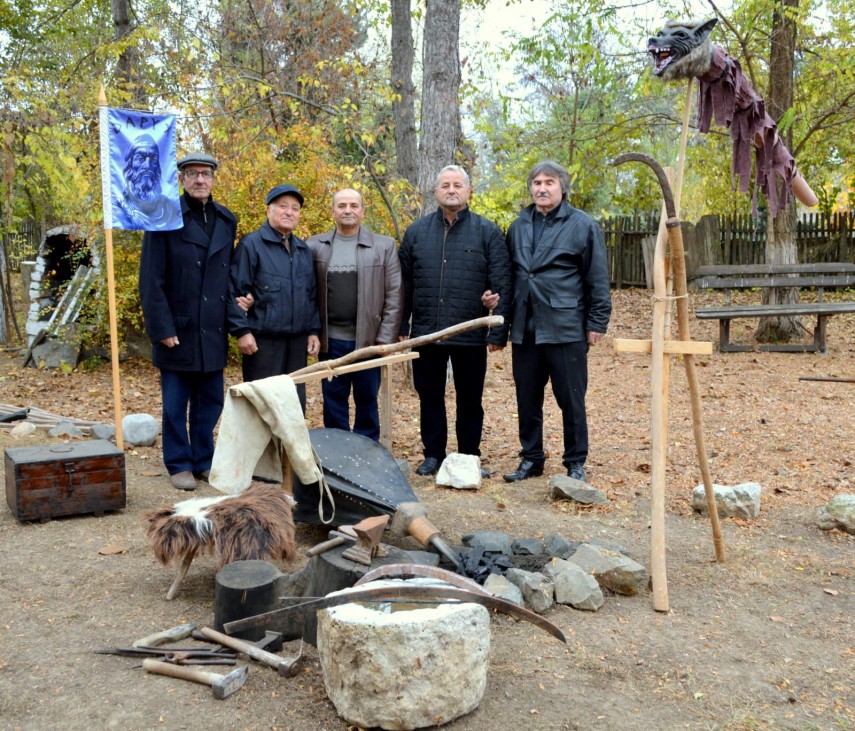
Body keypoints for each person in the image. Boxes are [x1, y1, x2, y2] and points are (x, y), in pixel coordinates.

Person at [503, 160, 612, 484]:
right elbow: (511, 277)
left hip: (565, 326)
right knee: (527, 398)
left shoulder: (582, 225)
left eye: (549, 182)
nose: (541, 188)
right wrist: (503, 324)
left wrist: (597, 322)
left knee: (571, 399)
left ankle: (575, 462)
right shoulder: (519, 225)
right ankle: (531, 458)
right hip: (526, 327)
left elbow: (597, 278)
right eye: (536, 182)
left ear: (562, 187)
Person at [399, 165, 511, 477]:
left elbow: (501, 284)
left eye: (458, 185)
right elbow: (403, 285)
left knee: (470, 399)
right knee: (430, 397)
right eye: (445, 184)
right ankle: (434, 454)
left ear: (468, 191)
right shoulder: (417, 232)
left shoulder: (488, 232)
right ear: (435, 192)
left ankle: (468, 455)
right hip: (426, 333)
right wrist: (400, 328)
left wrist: (497, 330)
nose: (451, 189)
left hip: (469, 332)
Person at [139, 152, 240, 491]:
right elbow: (151, 280)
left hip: (212, 328)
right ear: (181, 179)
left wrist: (243, 300)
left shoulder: (227, 220)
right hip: (178, 329)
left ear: (214, 179)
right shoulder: (165, 218)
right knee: (174, 403)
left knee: (210, 401)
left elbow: (228, 276)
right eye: (193, 174)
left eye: (206, 174)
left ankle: (203, 459)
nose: (200, 180)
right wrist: (162, 328)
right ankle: (179, 462)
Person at [307, 188, 403, 441]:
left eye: (353, 205)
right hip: (330, 342)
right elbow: (306, 293)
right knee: (333, 400)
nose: (347, 210)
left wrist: (384, 342)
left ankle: (367, 450)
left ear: (362, 211)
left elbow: (394, 295)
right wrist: (313, 332)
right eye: (341, 205)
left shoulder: (383, 246)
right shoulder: (315, 246)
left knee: (367, 399)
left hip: (368, 342)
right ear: (332, 211)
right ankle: (339, 451)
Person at [229, 184, 321, 411]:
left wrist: (313, 331)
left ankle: (289, 448)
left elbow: (311, 295)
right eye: (283, 206)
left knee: (294, 406)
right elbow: (235, 292)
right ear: (269, 210)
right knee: (262, 406)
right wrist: (242, 331)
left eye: (295, 208)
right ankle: (261, 448)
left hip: (297, 344)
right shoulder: (251, 245)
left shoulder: (303, 250)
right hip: (262, 344)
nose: (289, 212)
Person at [115, 134, 174, 230]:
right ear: (131, 164)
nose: (147, 166)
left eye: (153, 159)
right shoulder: (119, 207)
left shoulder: (169, 208)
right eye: (140, 159)